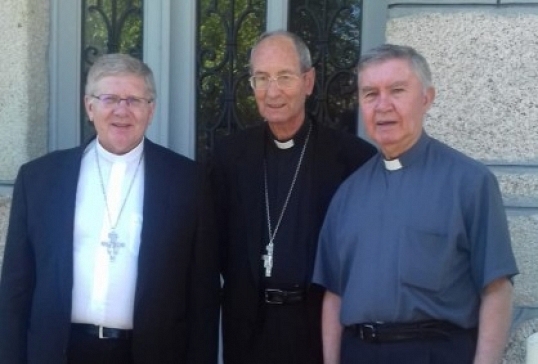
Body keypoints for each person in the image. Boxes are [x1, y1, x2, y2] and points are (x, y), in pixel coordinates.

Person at [0, 53, 220, 364]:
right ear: (89, 106)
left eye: (134, 100)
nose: (122, 110)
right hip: (59, 351)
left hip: (151, 353)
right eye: (110, 98)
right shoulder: (39, 179)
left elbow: (203, 298)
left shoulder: (188, 182)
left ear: (151, 110)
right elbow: (15, 290)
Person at [313, 44, 519, 364]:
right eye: (370, 94)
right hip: (360, 352)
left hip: (435, 352)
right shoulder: (347, 193)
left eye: (397, 90)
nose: (383, 106)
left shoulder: (470, 182)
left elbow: (496, 289)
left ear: (426, 98)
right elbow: (335, 294)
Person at [211, 30, 377, 364]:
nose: (272, 91)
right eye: (261, 78)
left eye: (284, 77)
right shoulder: (228, 157)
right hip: (247, 331)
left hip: (318, 329)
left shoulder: (351, 158)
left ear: (308, 80)